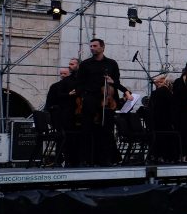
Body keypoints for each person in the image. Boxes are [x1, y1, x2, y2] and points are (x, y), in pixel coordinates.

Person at [75, 38, 133, 166]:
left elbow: (116, 82)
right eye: (90, 46)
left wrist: (122, 89)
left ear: (102, 47)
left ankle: (105, 159)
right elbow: (79, 83)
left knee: (106, 131)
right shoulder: (85, 64)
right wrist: (82, 95)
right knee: (87, 130)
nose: (92, 48)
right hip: (90, 99)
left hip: (107, 102)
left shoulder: (112, 64)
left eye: (95, 46)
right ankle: (86, 160)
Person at [43, 65, 77, 165]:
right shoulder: (55, 86)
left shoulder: (71, 85)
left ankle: (68, 159)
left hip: (65, 116)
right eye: (61, 74)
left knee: (66, 134)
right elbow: (51, 102)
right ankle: (65, 159)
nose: (62, 75)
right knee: (65, 134)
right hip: (58, 117)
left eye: (64, 74)